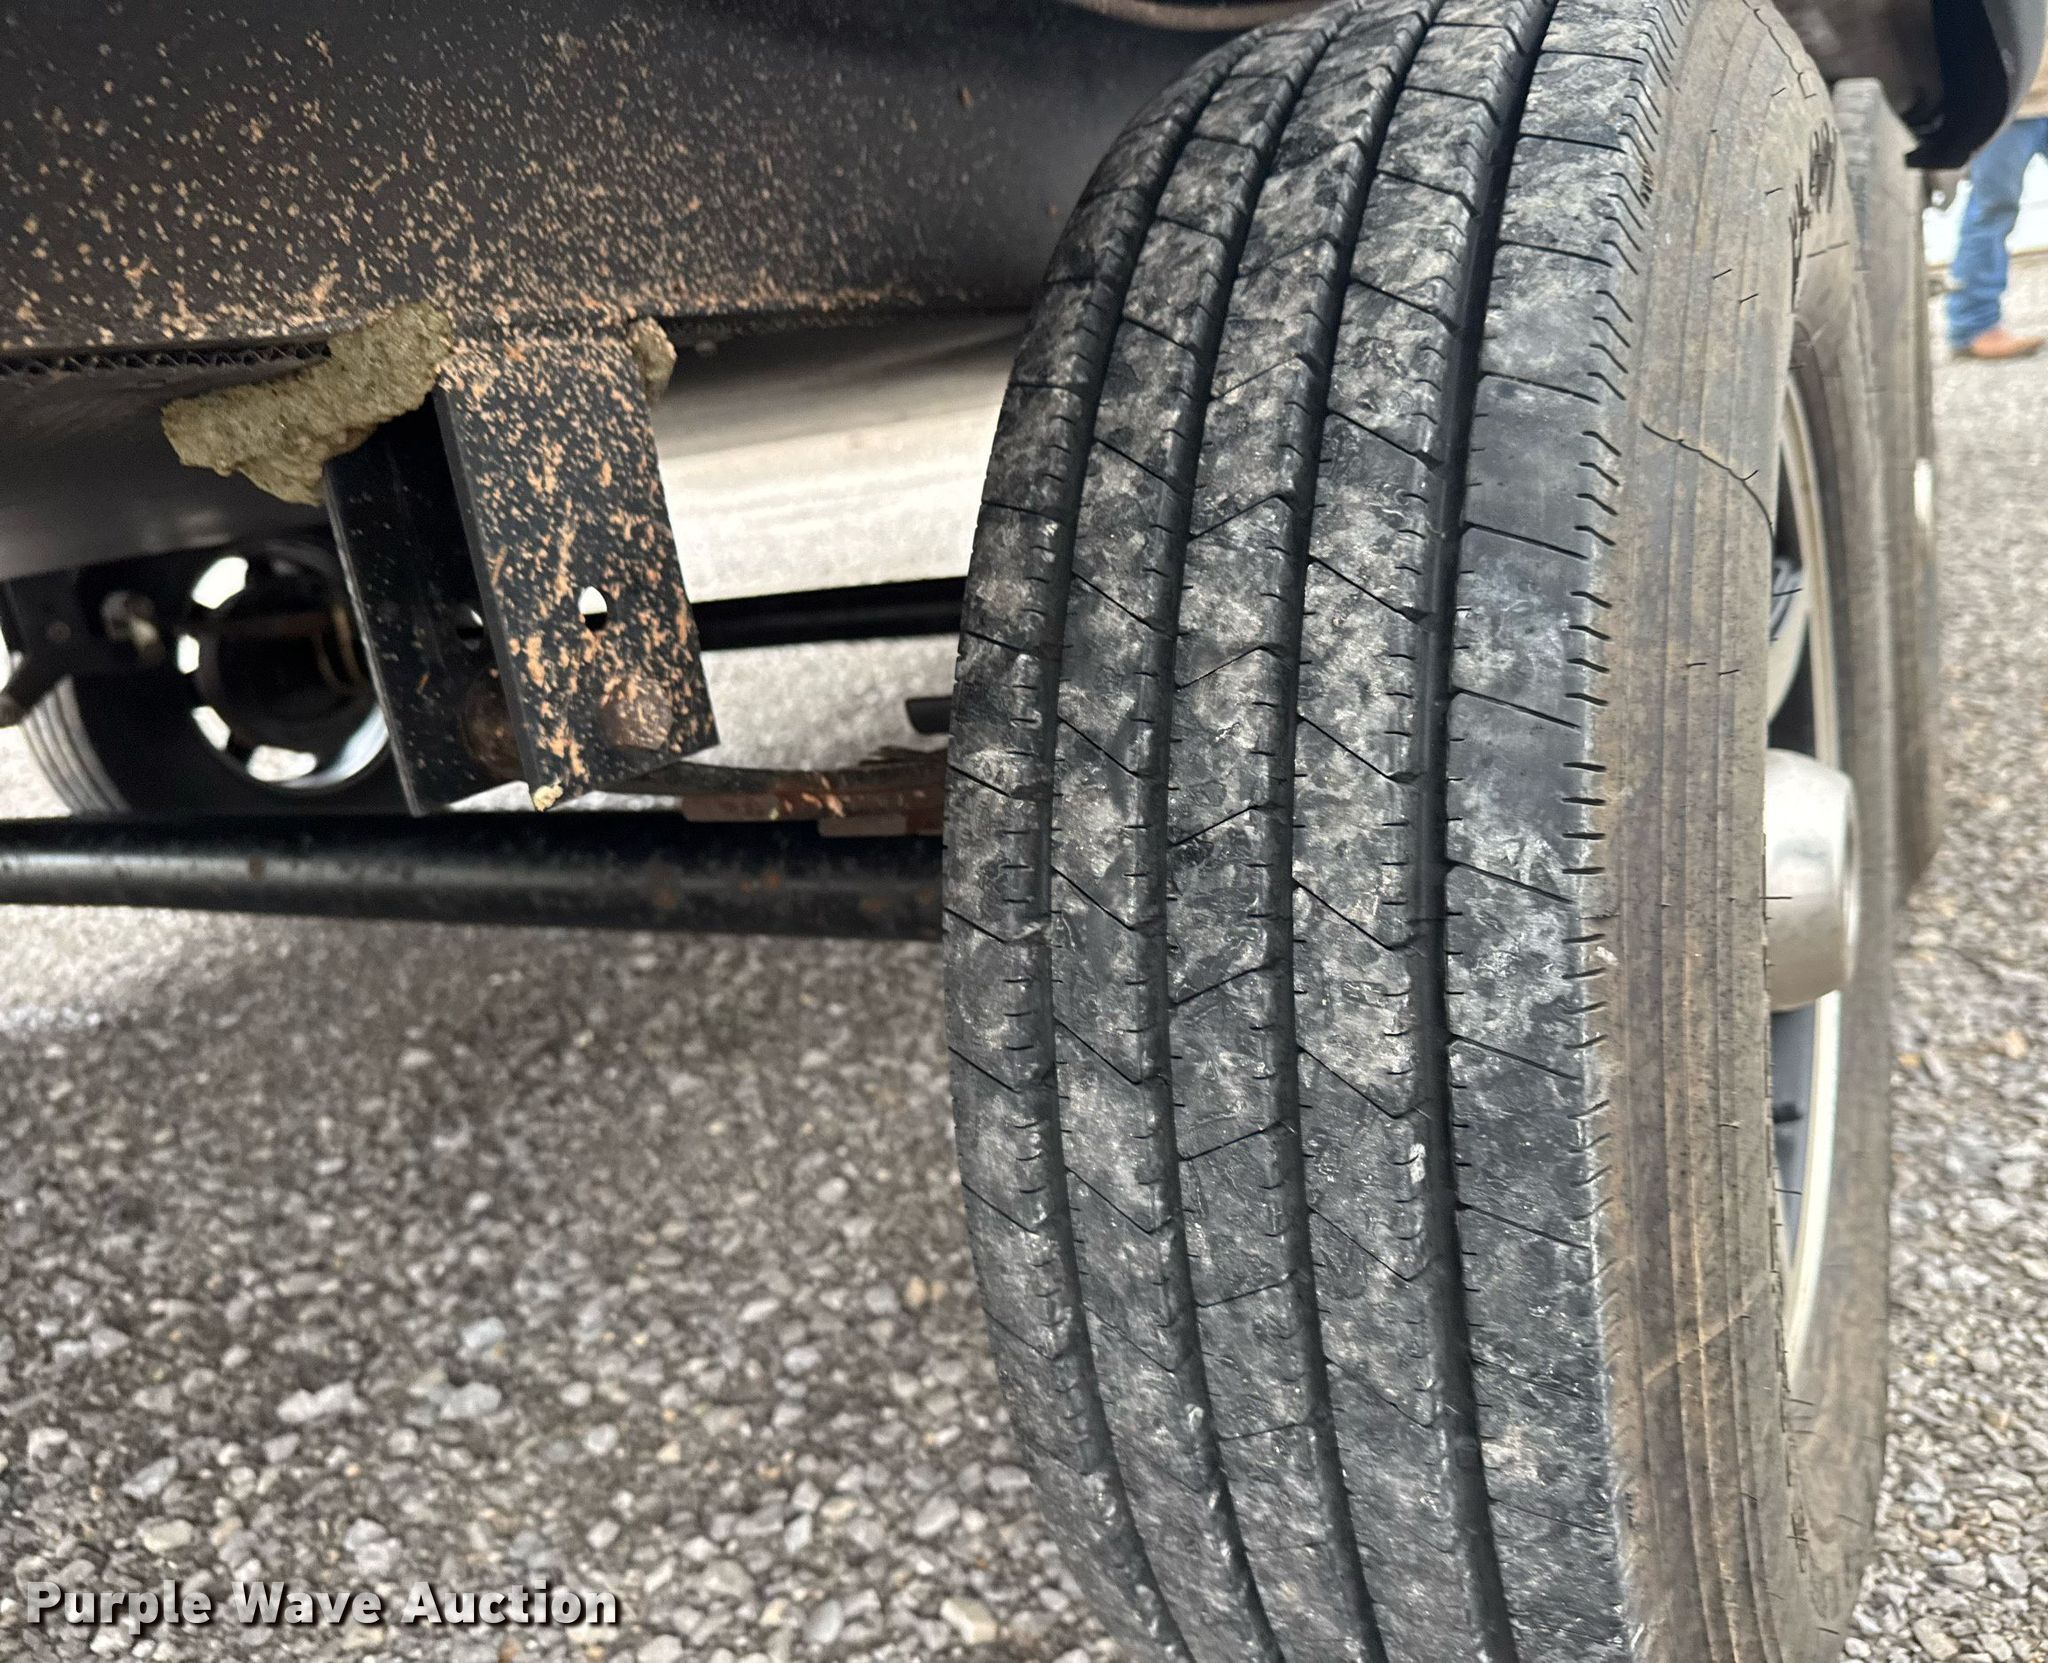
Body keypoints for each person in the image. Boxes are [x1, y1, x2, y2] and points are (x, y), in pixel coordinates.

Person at [1948, 57, 2048, 360]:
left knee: (1991, 211)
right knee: (1993, 210)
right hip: (2006, 104)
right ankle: (1974, 326)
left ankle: (1974, 323)